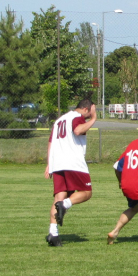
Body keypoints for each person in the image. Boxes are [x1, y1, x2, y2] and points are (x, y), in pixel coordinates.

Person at [44, 98, 98, 246]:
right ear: (87, 109)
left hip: (58, 164)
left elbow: (51, 143)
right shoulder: (77, 117)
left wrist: (50, 164)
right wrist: (93, 119)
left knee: (58, 198)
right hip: (73, 163)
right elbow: (78, 130)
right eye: (93, 109)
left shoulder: (59, 120)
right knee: (86, 193)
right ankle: (65, 205)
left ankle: (53, 234)